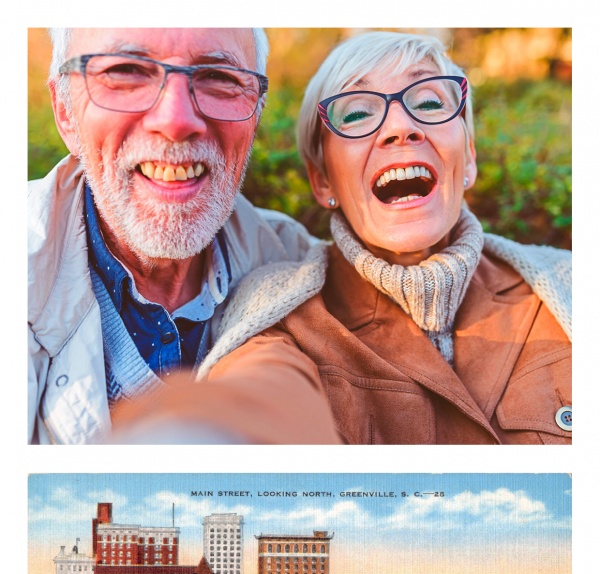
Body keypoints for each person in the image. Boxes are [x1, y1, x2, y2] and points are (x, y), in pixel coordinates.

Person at [193, 30, 571, 445]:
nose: (401, 127)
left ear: (470, 158)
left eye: (429, 103)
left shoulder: (569, 286)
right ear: (322, 181)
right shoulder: (278, 316)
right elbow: (257, 402)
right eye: (356, 114)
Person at [28, 27, 339, 444]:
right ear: (65, 111)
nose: (175, 121)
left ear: (256, 113)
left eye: (219, 78)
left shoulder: (299, 266)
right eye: (126, 72)